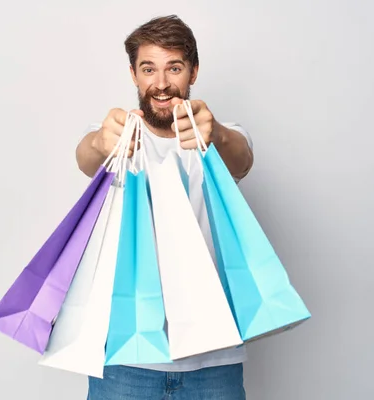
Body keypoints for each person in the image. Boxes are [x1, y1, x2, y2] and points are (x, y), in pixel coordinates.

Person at [75, 15, 254, 400]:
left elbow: (241, 159)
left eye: (174, 67)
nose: (160, 83)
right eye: (148, 69)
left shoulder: (221, 136)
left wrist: (216, 133)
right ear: (133, 74)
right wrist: (101, 144)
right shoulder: (116, 136)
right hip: (124, 360)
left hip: (213, 363)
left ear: (193, 71)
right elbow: (87, 156)